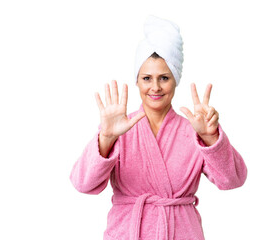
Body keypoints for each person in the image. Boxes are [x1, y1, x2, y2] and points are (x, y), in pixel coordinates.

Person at [70, 15, 247, 240]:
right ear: (137, 81)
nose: (155, 87)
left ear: (175, 80)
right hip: (127, 232)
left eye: (164, 78)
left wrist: (210, 138)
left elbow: (233, 180)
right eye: (146, 78)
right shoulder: (118, 130)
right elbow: (82, 184)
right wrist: (106, 137)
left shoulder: (194, 130)